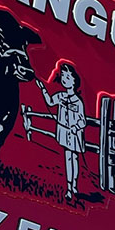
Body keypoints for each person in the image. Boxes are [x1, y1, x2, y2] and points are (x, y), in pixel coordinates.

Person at [35, 62, 87, 202]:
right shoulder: (61, 96)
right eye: (63, 76)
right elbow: (51, 102)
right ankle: (69, 187)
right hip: (64, 131)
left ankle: (74, 186)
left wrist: (75, 128)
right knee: (68, 158)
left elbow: (83, 121)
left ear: (74, 81)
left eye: (68, 77)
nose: (65, 79)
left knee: (74, 159)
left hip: (74, 134)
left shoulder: (78, 101)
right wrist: (43, 90)